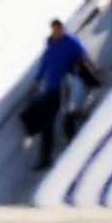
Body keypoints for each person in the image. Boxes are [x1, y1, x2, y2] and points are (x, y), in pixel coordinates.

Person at [27, 19, 93, 169]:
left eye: (59, 29)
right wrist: (37, 80)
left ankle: (74, 147)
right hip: (51, 88)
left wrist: (77, 65)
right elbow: (44, 65)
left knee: (67, 115)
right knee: (47, 122)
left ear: (63, 29)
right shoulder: (50, 46)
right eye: (54, 29)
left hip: (66, 85)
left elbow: (82, 55)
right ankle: (45, 159)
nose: (57, 32)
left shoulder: (70, 42)